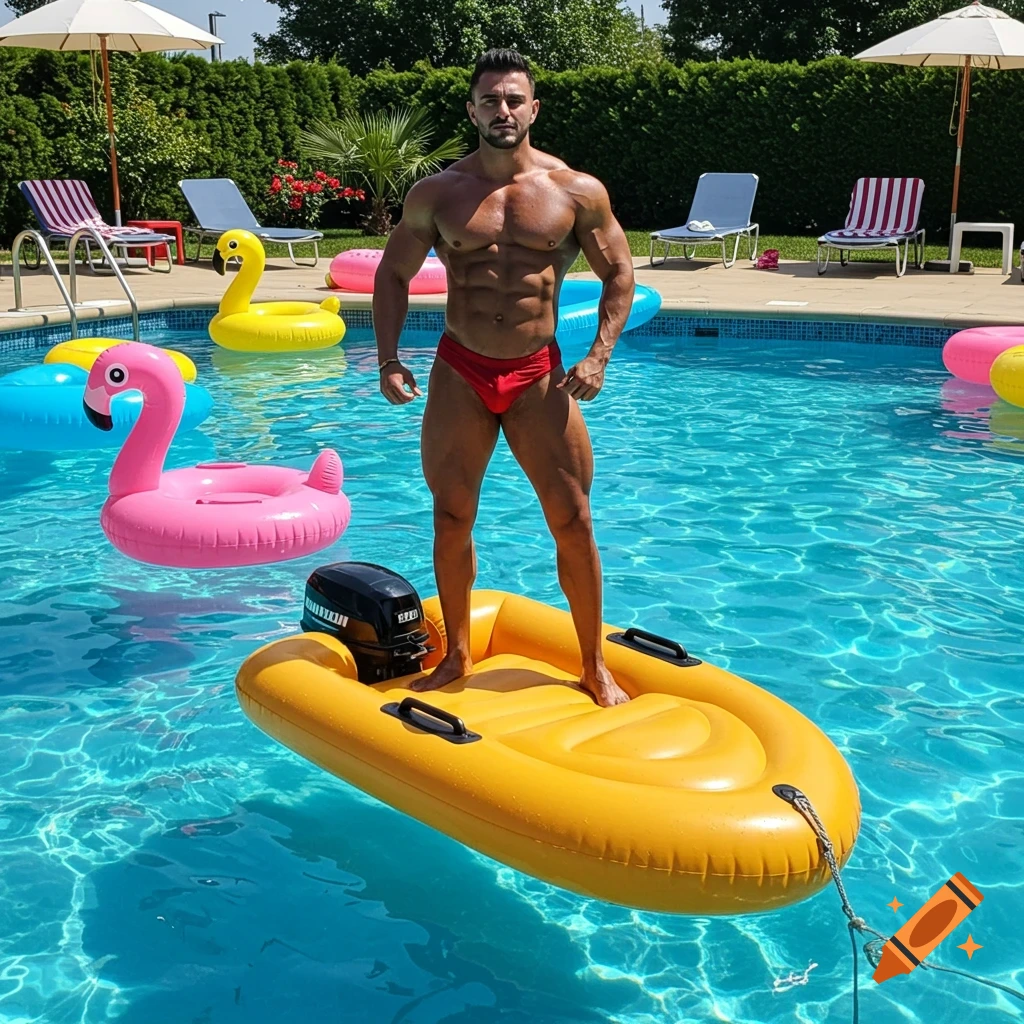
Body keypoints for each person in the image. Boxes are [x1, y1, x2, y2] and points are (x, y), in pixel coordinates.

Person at [372, 48, 636, 707]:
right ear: (472, 110)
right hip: (461, 370)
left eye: (514, 99)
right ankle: (457, 655)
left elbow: (619, 275)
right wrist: (387, 356)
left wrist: (599, 355)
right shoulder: (436, 193)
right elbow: (392, 274)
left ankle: (593, 664)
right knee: (451, 513)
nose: (503, 110)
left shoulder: (576, 191)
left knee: (573, 518)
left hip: (538, 375)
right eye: (490, 100)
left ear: (534, 108)